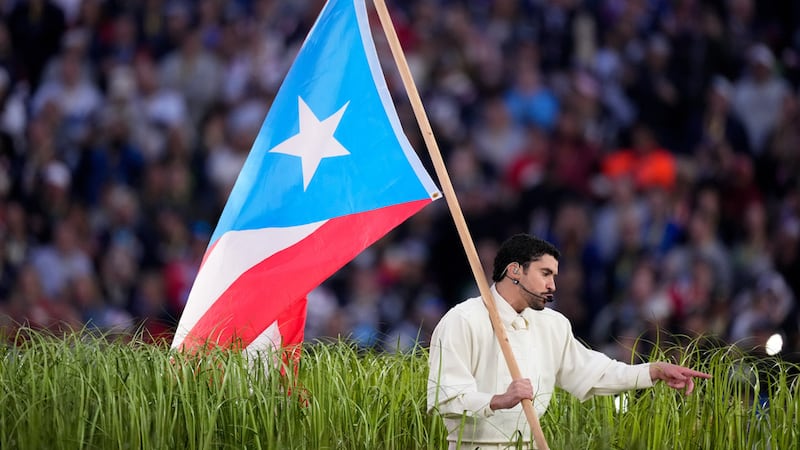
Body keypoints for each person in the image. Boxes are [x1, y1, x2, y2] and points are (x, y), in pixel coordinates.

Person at [427, 233, 711, 449]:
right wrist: (499, 400)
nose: (553, 286)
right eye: (545, 274)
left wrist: (653, 370)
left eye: (554, 276)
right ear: (514, 271)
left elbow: (595, 372)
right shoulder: (462, 320)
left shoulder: (554, 324)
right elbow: (445, 398)